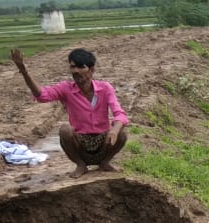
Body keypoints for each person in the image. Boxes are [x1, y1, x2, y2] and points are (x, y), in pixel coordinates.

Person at [11, 47, 129, 178]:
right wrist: (24, 71)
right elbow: (42, 95)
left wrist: (114, 130)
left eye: (81, 67)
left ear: (91, 70)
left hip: (103, 140)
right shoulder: (66, 89)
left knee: (122, 134)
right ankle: (80, 165)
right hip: (80, 140)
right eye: (73, 67)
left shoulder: (105, 88)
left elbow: (120, 114)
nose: (76, 71)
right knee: (65, 130)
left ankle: (104, 162)